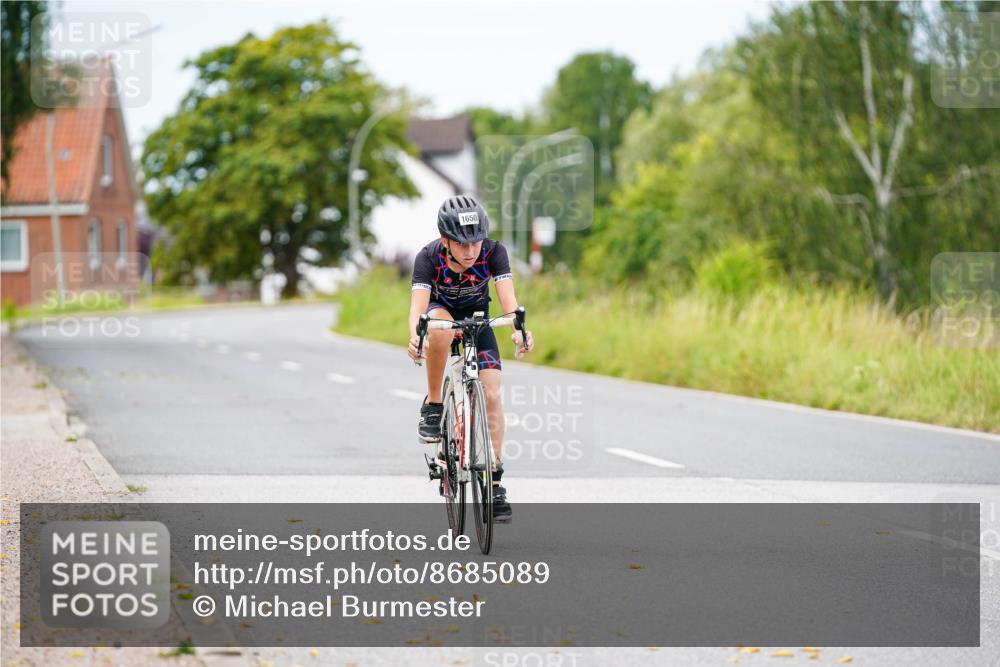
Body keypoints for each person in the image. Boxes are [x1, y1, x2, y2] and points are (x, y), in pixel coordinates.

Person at [407, 195, 534, 522]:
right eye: (462, 244)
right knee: (439, 331)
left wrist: (518, 330)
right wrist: (415, 337)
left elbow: (509, 301)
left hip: (479, 319)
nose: (470, 250)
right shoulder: (427, 258)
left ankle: (494, 480)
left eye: (475, 242)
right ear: (444, 239)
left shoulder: (494, 252)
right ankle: (435, 403)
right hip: (441, 314)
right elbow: (417, 309)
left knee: (492, 394)